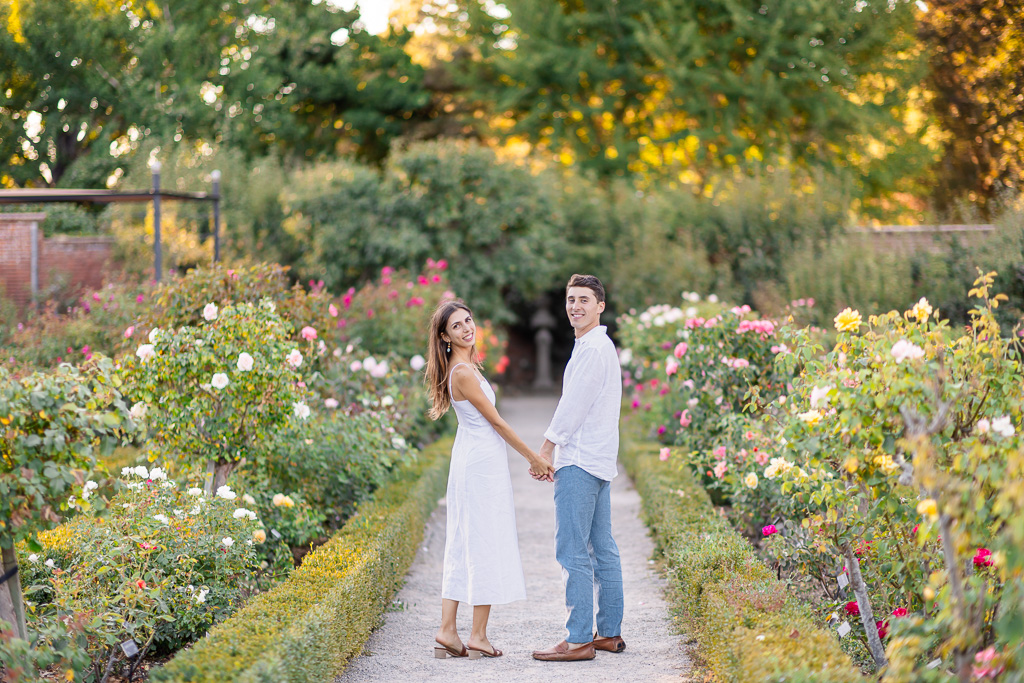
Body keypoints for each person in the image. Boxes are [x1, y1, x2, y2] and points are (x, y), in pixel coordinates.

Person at [425, 299, 556, 660]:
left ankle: (449, 630)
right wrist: (534, 457)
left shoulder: (466, 366)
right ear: (445, 336)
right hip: (479, 464)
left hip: (476, 459)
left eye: (469, 320)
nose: (468, 328)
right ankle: (475, 635)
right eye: (457, 326)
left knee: (466, 540)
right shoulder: (463, 372)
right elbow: (496, 422)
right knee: (482, 541)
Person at [531, 274, 625, 662]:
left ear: (600, 306)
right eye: (571, 300)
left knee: (573, 551)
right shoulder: (599, 345)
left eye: (584, 300)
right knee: (602, 549)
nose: (576, 306)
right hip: (598, 462)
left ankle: (578, 639)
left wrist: (547, 448)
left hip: (581, 461)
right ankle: (608, 634)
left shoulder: (591, 349)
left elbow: (574, 406)